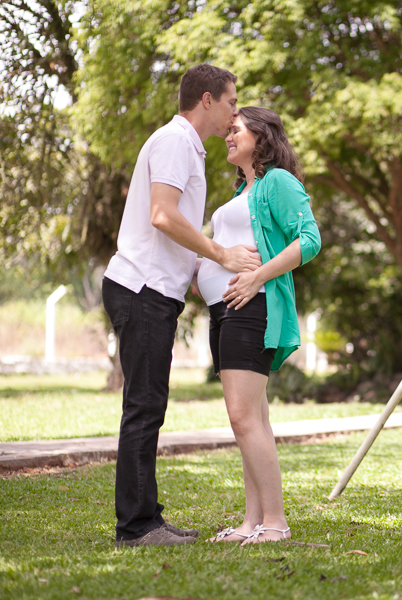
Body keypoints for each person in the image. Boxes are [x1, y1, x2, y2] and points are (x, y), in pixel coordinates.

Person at [102, 64, 262, 548]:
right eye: (233, 102)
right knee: (144, 407)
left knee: (150, 404)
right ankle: (136, 527)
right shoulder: (175, 142)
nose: (236, 113)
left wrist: (195, 271)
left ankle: (148, 516)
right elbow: (161, 215)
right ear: (208, 100)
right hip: (142, 289)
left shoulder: (186, 148)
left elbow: (168, 225)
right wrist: (219, 253)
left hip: (157, 290)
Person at [198, 106, 321, 545]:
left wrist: (256, 275)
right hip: (224, 310)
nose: (228, 136)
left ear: (261, 136)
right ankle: (253, 523)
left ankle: (276, 523)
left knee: (243, 417)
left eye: (236, 130)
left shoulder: (277, 183)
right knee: (250, 419)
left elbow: (309, 240)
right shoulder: (241, 192)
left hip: (254, 307)